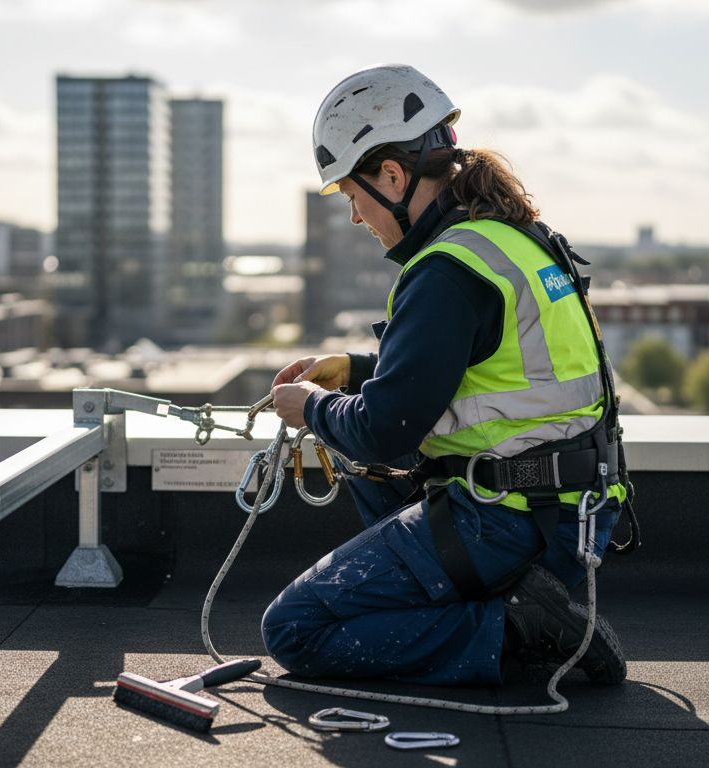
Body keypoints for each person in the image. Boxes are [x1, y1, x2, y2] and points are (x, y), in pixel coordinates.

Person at [261, 64, 630, 687]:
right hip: (574, 512)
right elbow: (480, 374)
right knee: (371, 475)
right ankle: (517, 608)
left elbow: (388, 430)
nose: (355, 217)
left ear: (394, 176)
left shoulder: (445, 271)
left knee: (295, 629)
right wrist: (355, 370)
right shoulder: (512, 239)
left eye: (354, 196)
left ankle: (518, 631)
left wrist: (311, 409)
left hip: (507, 520)